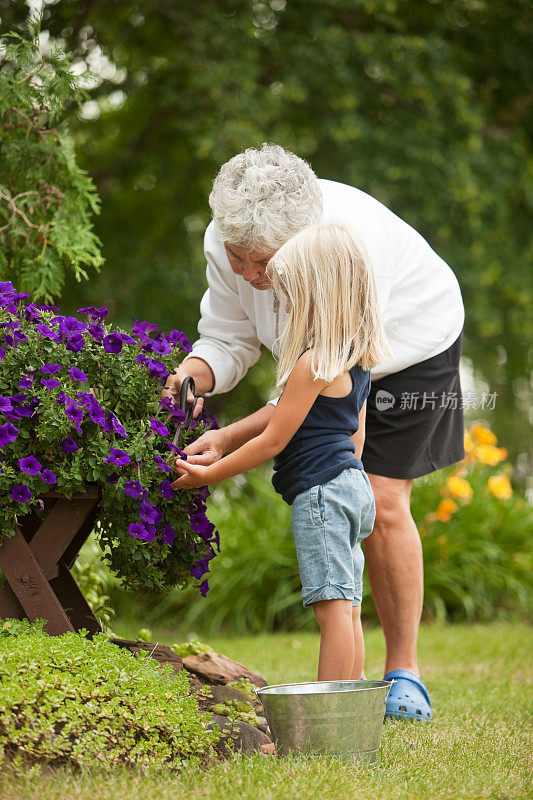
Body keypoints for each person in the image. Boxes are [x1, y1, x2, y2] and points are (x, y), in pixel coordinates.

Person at [165, 143, 466, 720]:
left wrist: (221, 458)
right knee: (350, 547)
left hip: (412, 345)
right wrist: (189, 378)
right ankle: (351, 702)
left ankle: (402, 674)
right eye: (238, 258)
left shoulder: (345, 251)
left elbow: (291, 416)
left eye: (265, 262)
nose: (251, 276)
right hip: (324, 374)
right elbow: (228, 341)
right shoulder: (226, 240)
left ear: (302, 248)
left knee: (382, 497)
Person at [172, 222, 391, 682]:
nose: (285, 304)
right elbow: (356, 440)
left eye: (291, 293)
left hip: (322, 496)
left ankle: (325, 728)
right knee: (347, 609)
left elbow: (274, 439)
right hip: (353, 486)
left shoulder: (312, 363)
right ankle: (347, 719)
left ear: (316, 294)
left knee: (331, 613)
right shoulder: (356, 360)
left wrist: (210, 475)